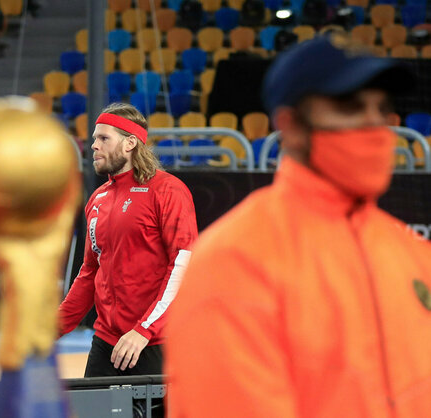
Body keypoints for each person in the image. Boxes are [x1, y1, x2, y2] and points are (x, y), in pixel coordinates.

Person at [166, 35, 431, 417]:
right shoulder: (235, 262)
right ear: (290, 125)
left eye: (383, 108)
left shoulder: (412, 254)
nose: (374, 124)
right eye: (349, 105)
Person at [57, 103, 198, 377]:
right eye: (94, 139)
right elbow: (89, 273)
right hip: (107, 341)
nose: (93, 146)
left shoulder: (168, 191)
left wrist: (145, 329)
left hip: (156, 341)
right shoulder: (98, 199)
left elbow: (183, 265)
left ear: (130, 143)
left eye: (103, 138)